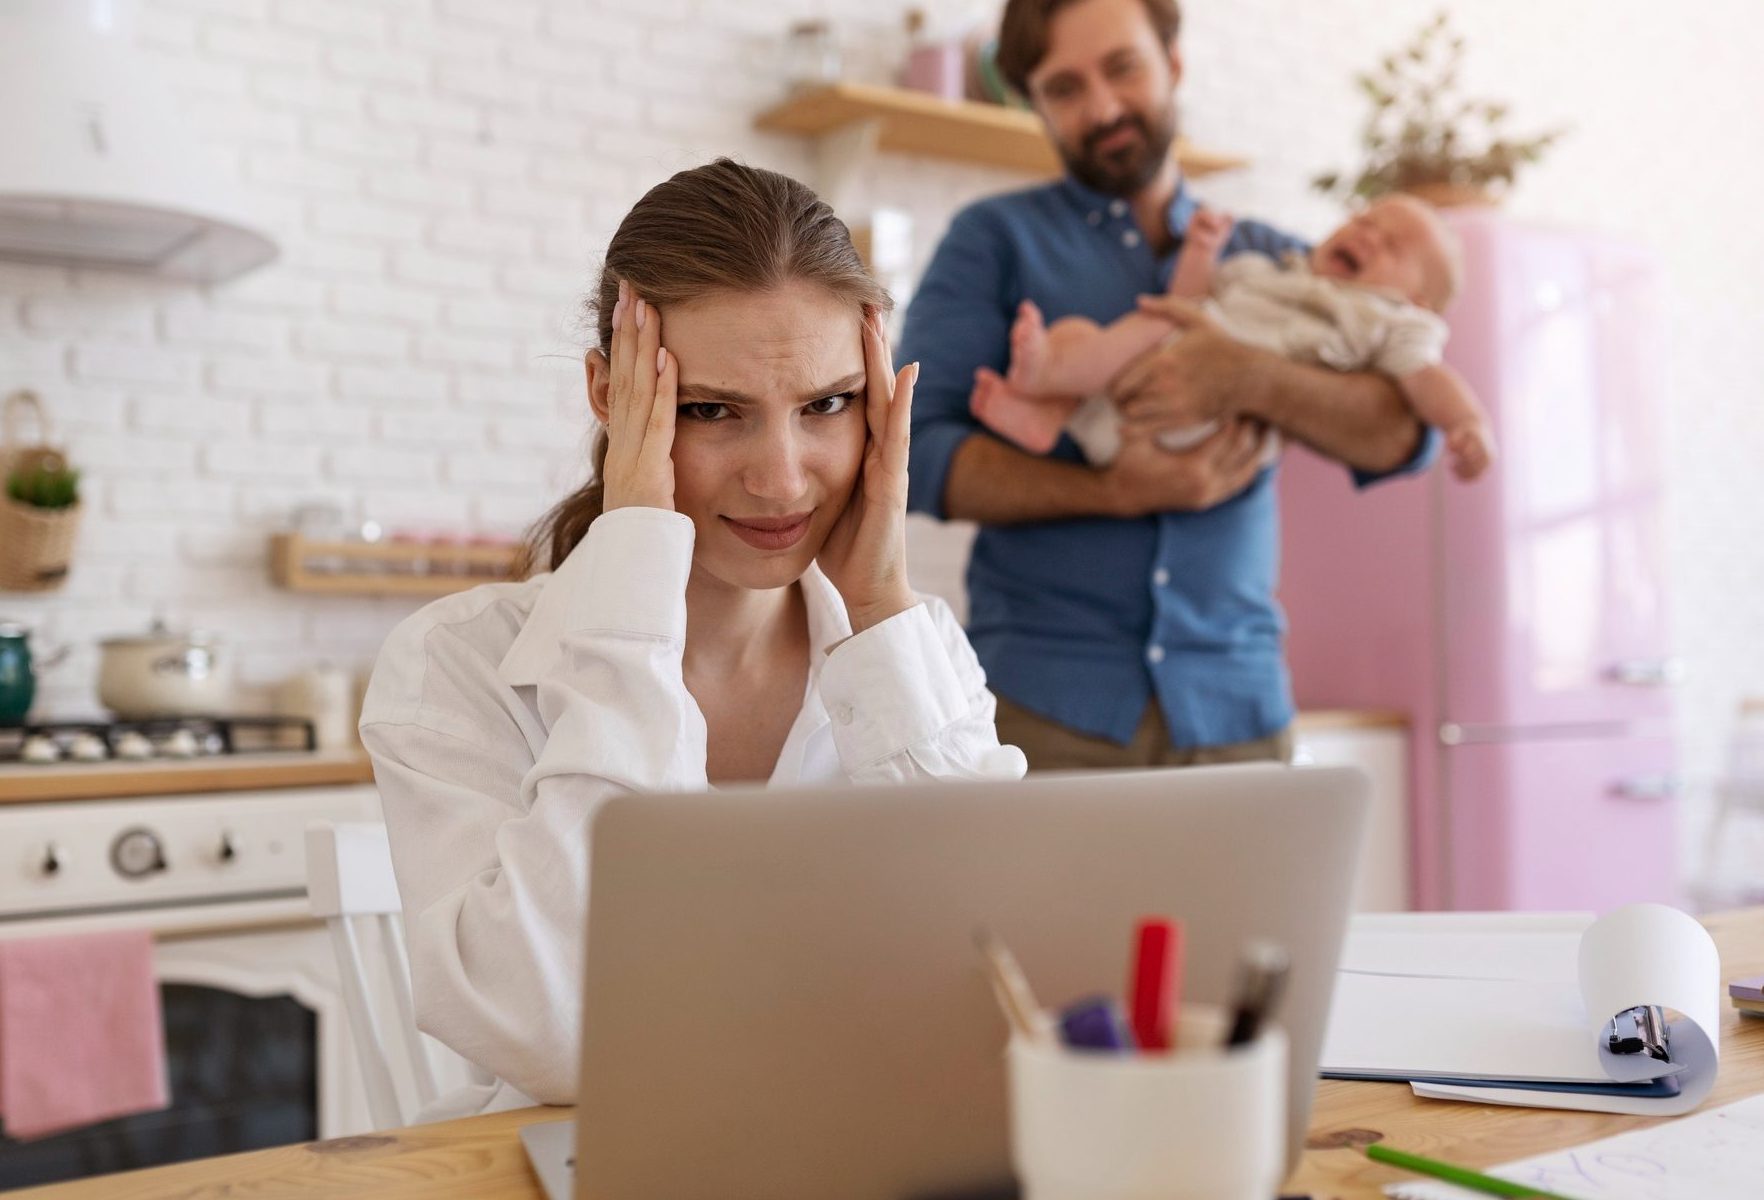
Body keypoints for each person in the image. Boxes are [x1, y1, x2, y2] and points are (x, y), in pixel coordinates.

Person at [360, 159, 1027, 1118]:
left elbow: (1010, 996)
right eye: (712, 411)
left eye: (826, 405)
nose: (783, 480)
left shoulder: (912, 655)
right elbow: (559, 1037)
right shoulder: (454, 665)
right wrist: (635, 577)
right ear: (609, 393)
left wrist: (880, 603)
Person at [902, 0, 1440, 772]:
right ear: (1035, 106)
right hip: (1043, 712)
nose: (1104, 108)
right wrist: (1116, 491)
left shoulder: (1280, 266)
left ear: (1174, 61)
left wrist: (1249, 376)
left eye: (1122, 68)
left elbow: (1402, 436)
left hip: (1241, 714)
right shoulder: (991, 241)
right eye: (1065, 88)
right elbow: (914, 456)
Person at [969, 195, 1494, 481]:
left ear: (1418, 300)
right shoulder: (1273, 268)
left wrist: (1465, 420)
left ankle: (1046, 379)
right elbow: (1192, 300)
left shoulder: (1393, 320)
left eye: (1393, 245)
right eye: (1363, 219)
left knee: (1152, 323)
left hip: (1212, 435)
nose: (1365, 234)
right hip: (1134, 403)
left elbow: (1425, 384)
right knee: (1089, 331)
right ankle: (1052, 411)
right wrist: (1201, 253)